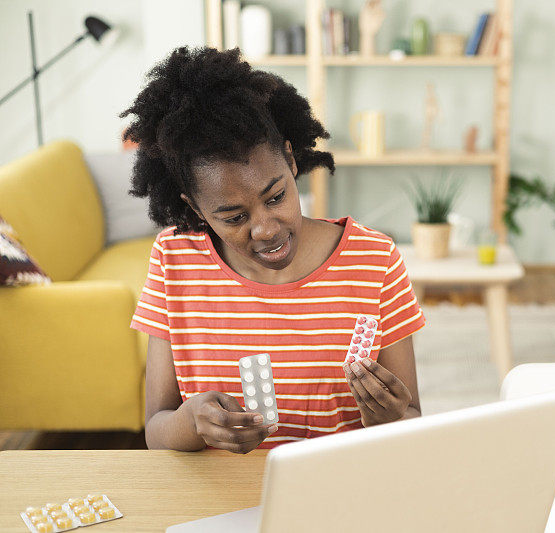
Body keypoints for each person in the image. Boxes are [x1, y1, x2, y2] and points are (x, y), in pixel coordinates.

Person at [122, 47, 425, 453]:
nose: (265, 229)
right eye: (234, 218)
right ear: (195, 208)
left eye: (276, 196)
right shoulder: (174, 260)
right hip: (221, 497)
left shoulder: (374, 260)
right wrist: (193, 422)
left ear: (290, 160)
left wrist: (386, 418)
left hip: (338, 491)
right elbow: (157, 431)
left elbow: (412, 421)